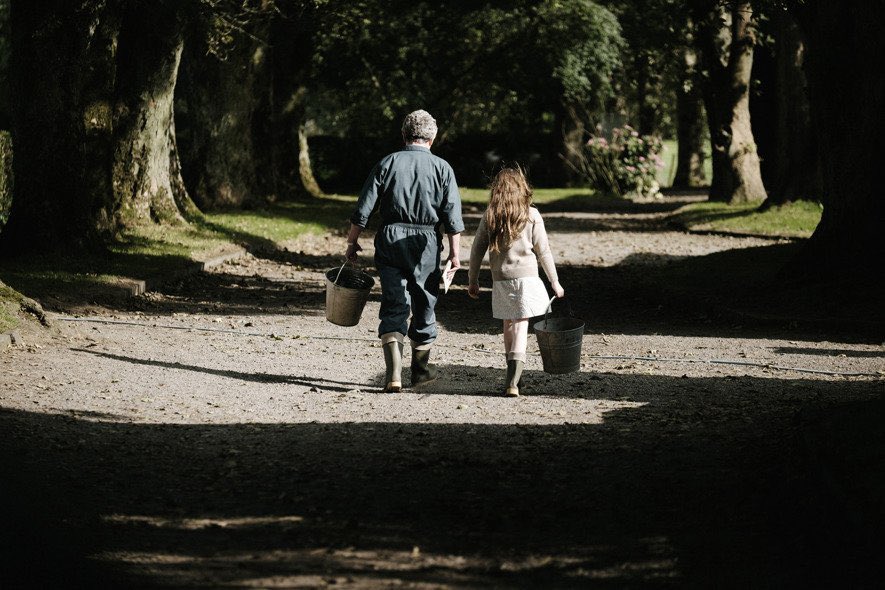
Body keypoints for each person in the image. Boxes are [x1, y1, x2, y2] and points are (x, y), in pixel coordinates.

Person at [345, 110, 464, 393]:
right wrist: (455, 255)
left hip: (391, 237)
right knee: (424, 300)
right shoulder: (443, 168)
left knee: (394, 300)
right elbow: (453, 218)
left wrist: (352, 242)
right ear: (432, 138)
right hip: (426, 243)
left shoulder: (388, 163)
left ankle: (393, 373)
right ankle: (421, 371)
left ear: (403, 135)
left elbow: (363, 209)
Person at [468, 166, 564, 397]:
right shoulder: (532, 215)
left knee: (508, 326)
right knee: (521, 327)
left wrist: (473, 279)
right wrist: (555, 281)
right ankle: (512, 381)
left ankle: (514, 379)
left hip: (500, 280)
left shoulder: (491, 215)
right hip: (527, 279)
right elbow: (544, 252)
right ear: (522, 188)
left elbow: (476, 249)